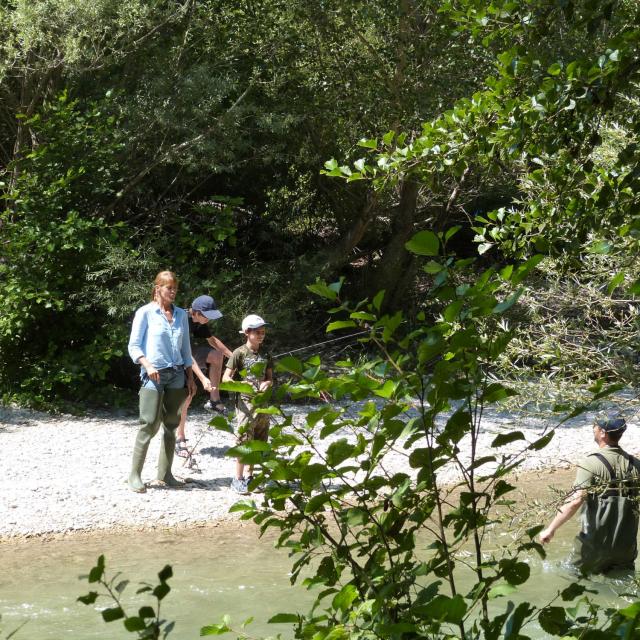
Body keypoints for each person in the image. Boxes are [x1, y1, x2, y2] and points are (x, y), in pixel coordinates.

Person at [539, 415, 640, 574]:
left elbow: (575, 501)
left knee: (572, 578)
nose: (593, 428)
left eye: (595, 426)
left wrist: (551, 529)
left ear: (602, 433)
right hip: (625, 548)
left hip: (594, 547)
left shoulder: (590, 463)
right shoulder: (636, 465)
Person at [127, 271, 196, 493]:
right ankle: (134, 476)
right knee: (149, 424)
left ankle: (165, 474)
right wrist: (147, 365)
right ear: (158, 289)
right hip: (153, 374)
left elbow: (186, 350)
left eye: (175, 288)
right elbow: (134, 346)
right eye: (169, 288)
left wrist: (191, 377)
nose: (173, 292)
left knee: (172, 424)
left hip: (177, 374)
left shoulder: (181, 315)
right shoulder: (145, 313)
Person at [175, 295, 232, 459]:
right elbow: (185, 353)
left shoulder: (198, 321)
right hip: (175, 360)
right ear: (197, 312)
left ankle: (214, 400)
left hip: (188, 355)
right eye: (208, 316)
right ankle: (180, 438)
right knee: (187, 396)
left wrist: (234, 357)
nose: (209, 320)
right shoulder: (181, 320)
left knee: (216, 355)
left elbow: (212, 341)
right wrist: (202, 378)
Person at [222, 314, 273, 494]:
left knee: (259, 439)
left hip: (263, 404)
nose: (261, 335)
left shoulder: (266, 353)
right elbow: (226, 378)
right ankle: (238, 478)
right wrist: (243, 385)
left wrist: (267, 384)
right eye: (257, 332)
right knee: (244, 439)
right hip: (244, 404)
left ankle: (252, 477)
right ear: (246, 332)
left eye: (263, 332)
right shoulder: (239, 353)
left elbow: (270, 378)